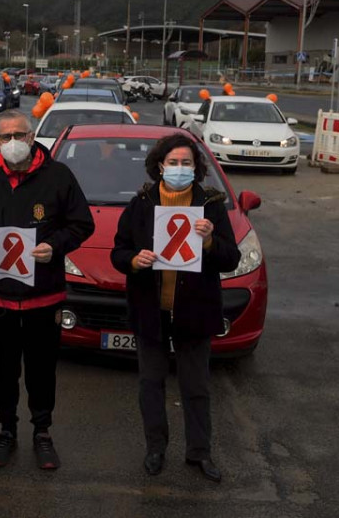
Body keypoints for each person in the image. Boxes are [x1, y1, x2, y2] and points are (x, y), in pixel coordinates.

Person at [0, 109, 94, 470]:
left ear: (32, 138)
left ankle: (42, 432)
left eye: (20, 135)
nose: (13, 143)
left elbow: (82, 224)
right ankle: (6, 430)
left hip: (43, 298)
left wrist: (56, 246)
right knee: (3, 369)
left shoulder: (59, 177)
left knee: (42, 369)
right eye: (5, 137)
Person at [110, 133, 240, 482]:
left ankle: (200, 453)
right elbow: (118, 252)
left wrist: (211, 240)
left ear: (196, 168)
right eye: (173, 163)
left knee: (196, 386)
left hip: (194, 311)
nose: (179, 169)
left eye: (187, 163)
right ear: (160, 165)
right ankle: (155, 448)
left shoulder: (211, 204)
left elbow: (231, 259)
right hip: (151, 310)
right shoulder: (141, 203)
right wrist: (135, 260)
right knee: (150, 383)